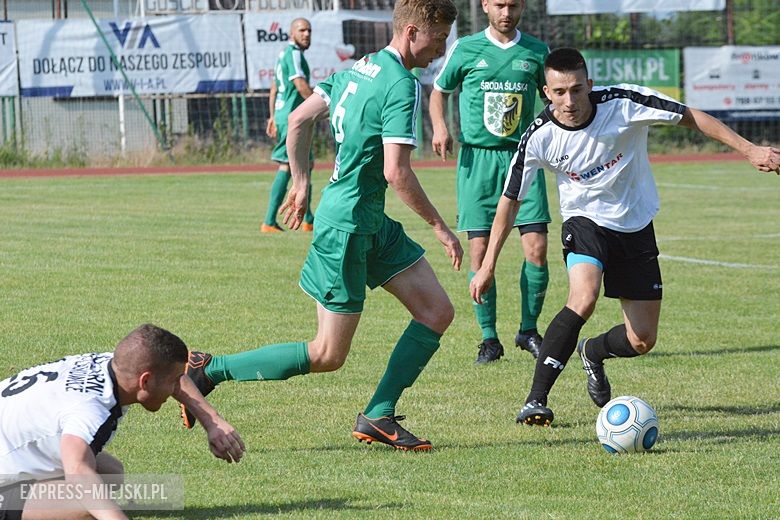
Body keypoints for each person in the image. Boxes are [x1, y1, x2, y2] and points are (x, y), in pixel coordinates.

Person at [180, 0, 461, 451]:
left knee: (436, 312)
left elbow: (298, 118)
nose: (441, 50)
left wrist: (301, 177)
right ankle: (209, 369)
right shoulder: (402, 85)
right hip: (348, 227)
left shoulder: (360, 68)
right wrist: (440, 227)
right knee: (327, 355)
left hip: (368, 220)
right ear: (411, 32)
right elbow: (397, 172)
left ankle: (379, 415)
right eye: (438, 39)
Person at [470, 47, 780, 426]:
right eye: (560, 92)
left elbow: (689, 116)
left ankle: (593, 352)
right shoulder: (539, 136)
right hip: (585, 223)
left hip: (635, 227)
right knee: (582, 298)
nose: (570, 100)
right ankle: (536, 400)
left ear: (590, 85)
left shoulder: (624, 102)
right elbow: (510, 200)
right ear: (546, 93)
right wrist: (487, 266)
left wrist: (749, 150)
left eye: (577, 89)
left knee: (642, 340)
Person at [0, 324, 245, 520]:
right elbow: (77, 470)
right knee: (86, 506)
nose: (177, 386)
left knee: (111, 474)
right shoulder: (90, 410)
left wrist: (212, 421)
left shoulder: (114, 364)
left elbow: (174, 376)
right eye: (173, 381)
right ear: (145, 381)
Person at [430, 0, 551, 364]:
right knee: (481, 253)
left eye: (514, 5)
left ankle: (528, 330)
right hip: (477, 162)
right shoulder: (466, 48)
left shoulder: (536, 51)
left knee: (537, 249)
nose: (506, 12)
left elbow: (554, 98)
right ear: (485, 5)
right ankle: (489, 339)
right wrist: (440, 125)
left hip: (522, 158)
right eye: (499, 4)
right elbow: (438, 92)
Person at [262, 18, 316, 233]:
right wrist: (323, 107)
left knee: (307, 165)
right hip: (293, 117)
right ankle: (268, 221)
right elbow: (300, 84)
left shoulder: (283, 55)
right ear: (292, 33)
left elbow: (274, 88)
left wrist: (272, 116)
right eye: (302, 30)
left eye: (309, 30)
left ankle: (308, 218)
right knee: (288, 165)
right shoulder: (293, 53)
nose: (306, 34)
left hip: (287, 115)